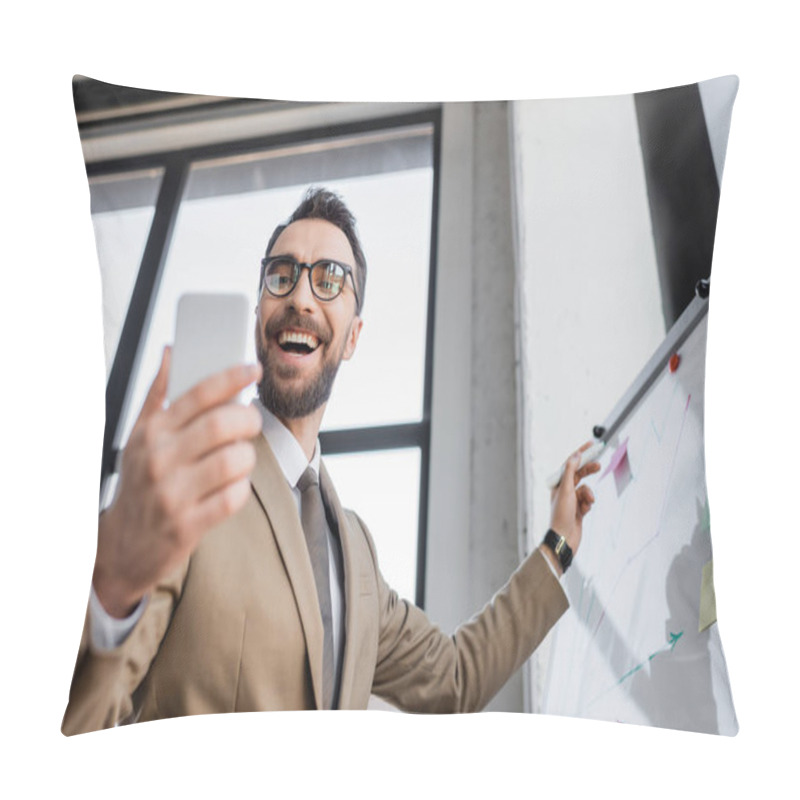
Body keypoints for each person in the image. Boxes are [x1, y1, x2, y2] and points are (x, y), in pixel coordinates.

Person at [62, 188, 599, 734]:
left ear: (353, 336)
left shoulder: (356, 551)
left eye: (329, 280)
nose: (300, 297)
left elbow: (455, 679)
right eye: (281, 275)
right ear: (258, 315)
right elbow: (84, 722)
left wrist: (556, 548)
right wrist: (110, 588)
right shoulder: (194, 483)